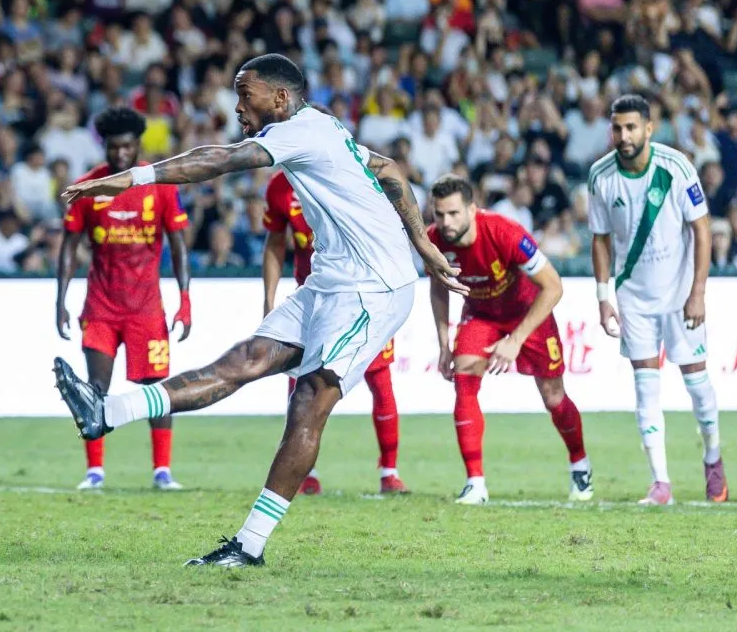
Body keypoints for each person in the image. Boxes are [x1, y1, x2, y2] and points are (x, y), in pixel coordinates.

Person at [54, 53, 464, 567]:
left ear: (280, 98)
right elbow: (389, 168)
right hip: (331, 281)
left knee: (309, 399)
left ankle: (249, 546)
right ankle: (106, 412)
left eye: (244, 96)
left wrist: (132, 178)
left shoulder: (297, 132)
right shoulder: (324, 127)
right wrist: (422, 241)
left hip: (373, 287)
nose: (238, 107)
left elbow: (220, 159)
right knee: (243, 360)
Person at [588, 94, 727, 505]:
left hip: (680, 294)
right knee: (645, 386)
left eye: (631, 127)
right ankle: (661, 482)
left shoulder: (677, 166)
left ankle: (713, 459)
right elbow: (600, 238)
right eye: (617, 128)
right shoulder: (600, 175)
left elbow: (702, 230)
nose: (624, 135)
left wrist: (697, 292)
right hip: (634, 297)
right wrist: (603, 296)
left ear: (649, 128)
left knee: (697, 384)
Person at [428, 175, 592, 505]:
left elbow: (554, 287)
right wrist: (444, 342)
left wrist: (516, 340)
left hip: (528, 312)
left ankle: (580, 464)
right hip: (481, 314)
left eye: (454, 214)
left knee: (553, 397)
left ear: (472, 210)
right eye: (440, 214)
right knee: (464, 378)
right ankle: (475, 482)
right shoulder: (433, 240)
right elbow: (438, 287)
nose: (446, 223)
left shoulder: (505, 232)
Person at [56, 106, 192, 491]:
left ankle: (162, 471)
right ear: (105, 147)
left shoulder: (160, 184)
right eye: (114, 148)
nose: (120, 155)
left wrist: (185, 300)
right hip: (100, 307)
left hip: (146, 309)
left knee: (156, 391)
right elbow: (69, 247)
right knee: (94, 389)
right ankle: (94, 471)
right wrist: (60, 300)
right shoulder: (88, 187)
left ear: (137, 146)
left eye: (127, 147)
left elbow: (179, 246)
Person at [263, 170, 407, 496]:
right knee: (300, 385)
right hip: (314, 300)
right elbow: (274, 243)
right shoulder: (280, 187)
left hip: (367, 297)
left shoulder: (353, 174)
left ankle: (390, 471)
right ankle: (305, 472)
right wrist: (269, 301)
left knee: (380, 381)